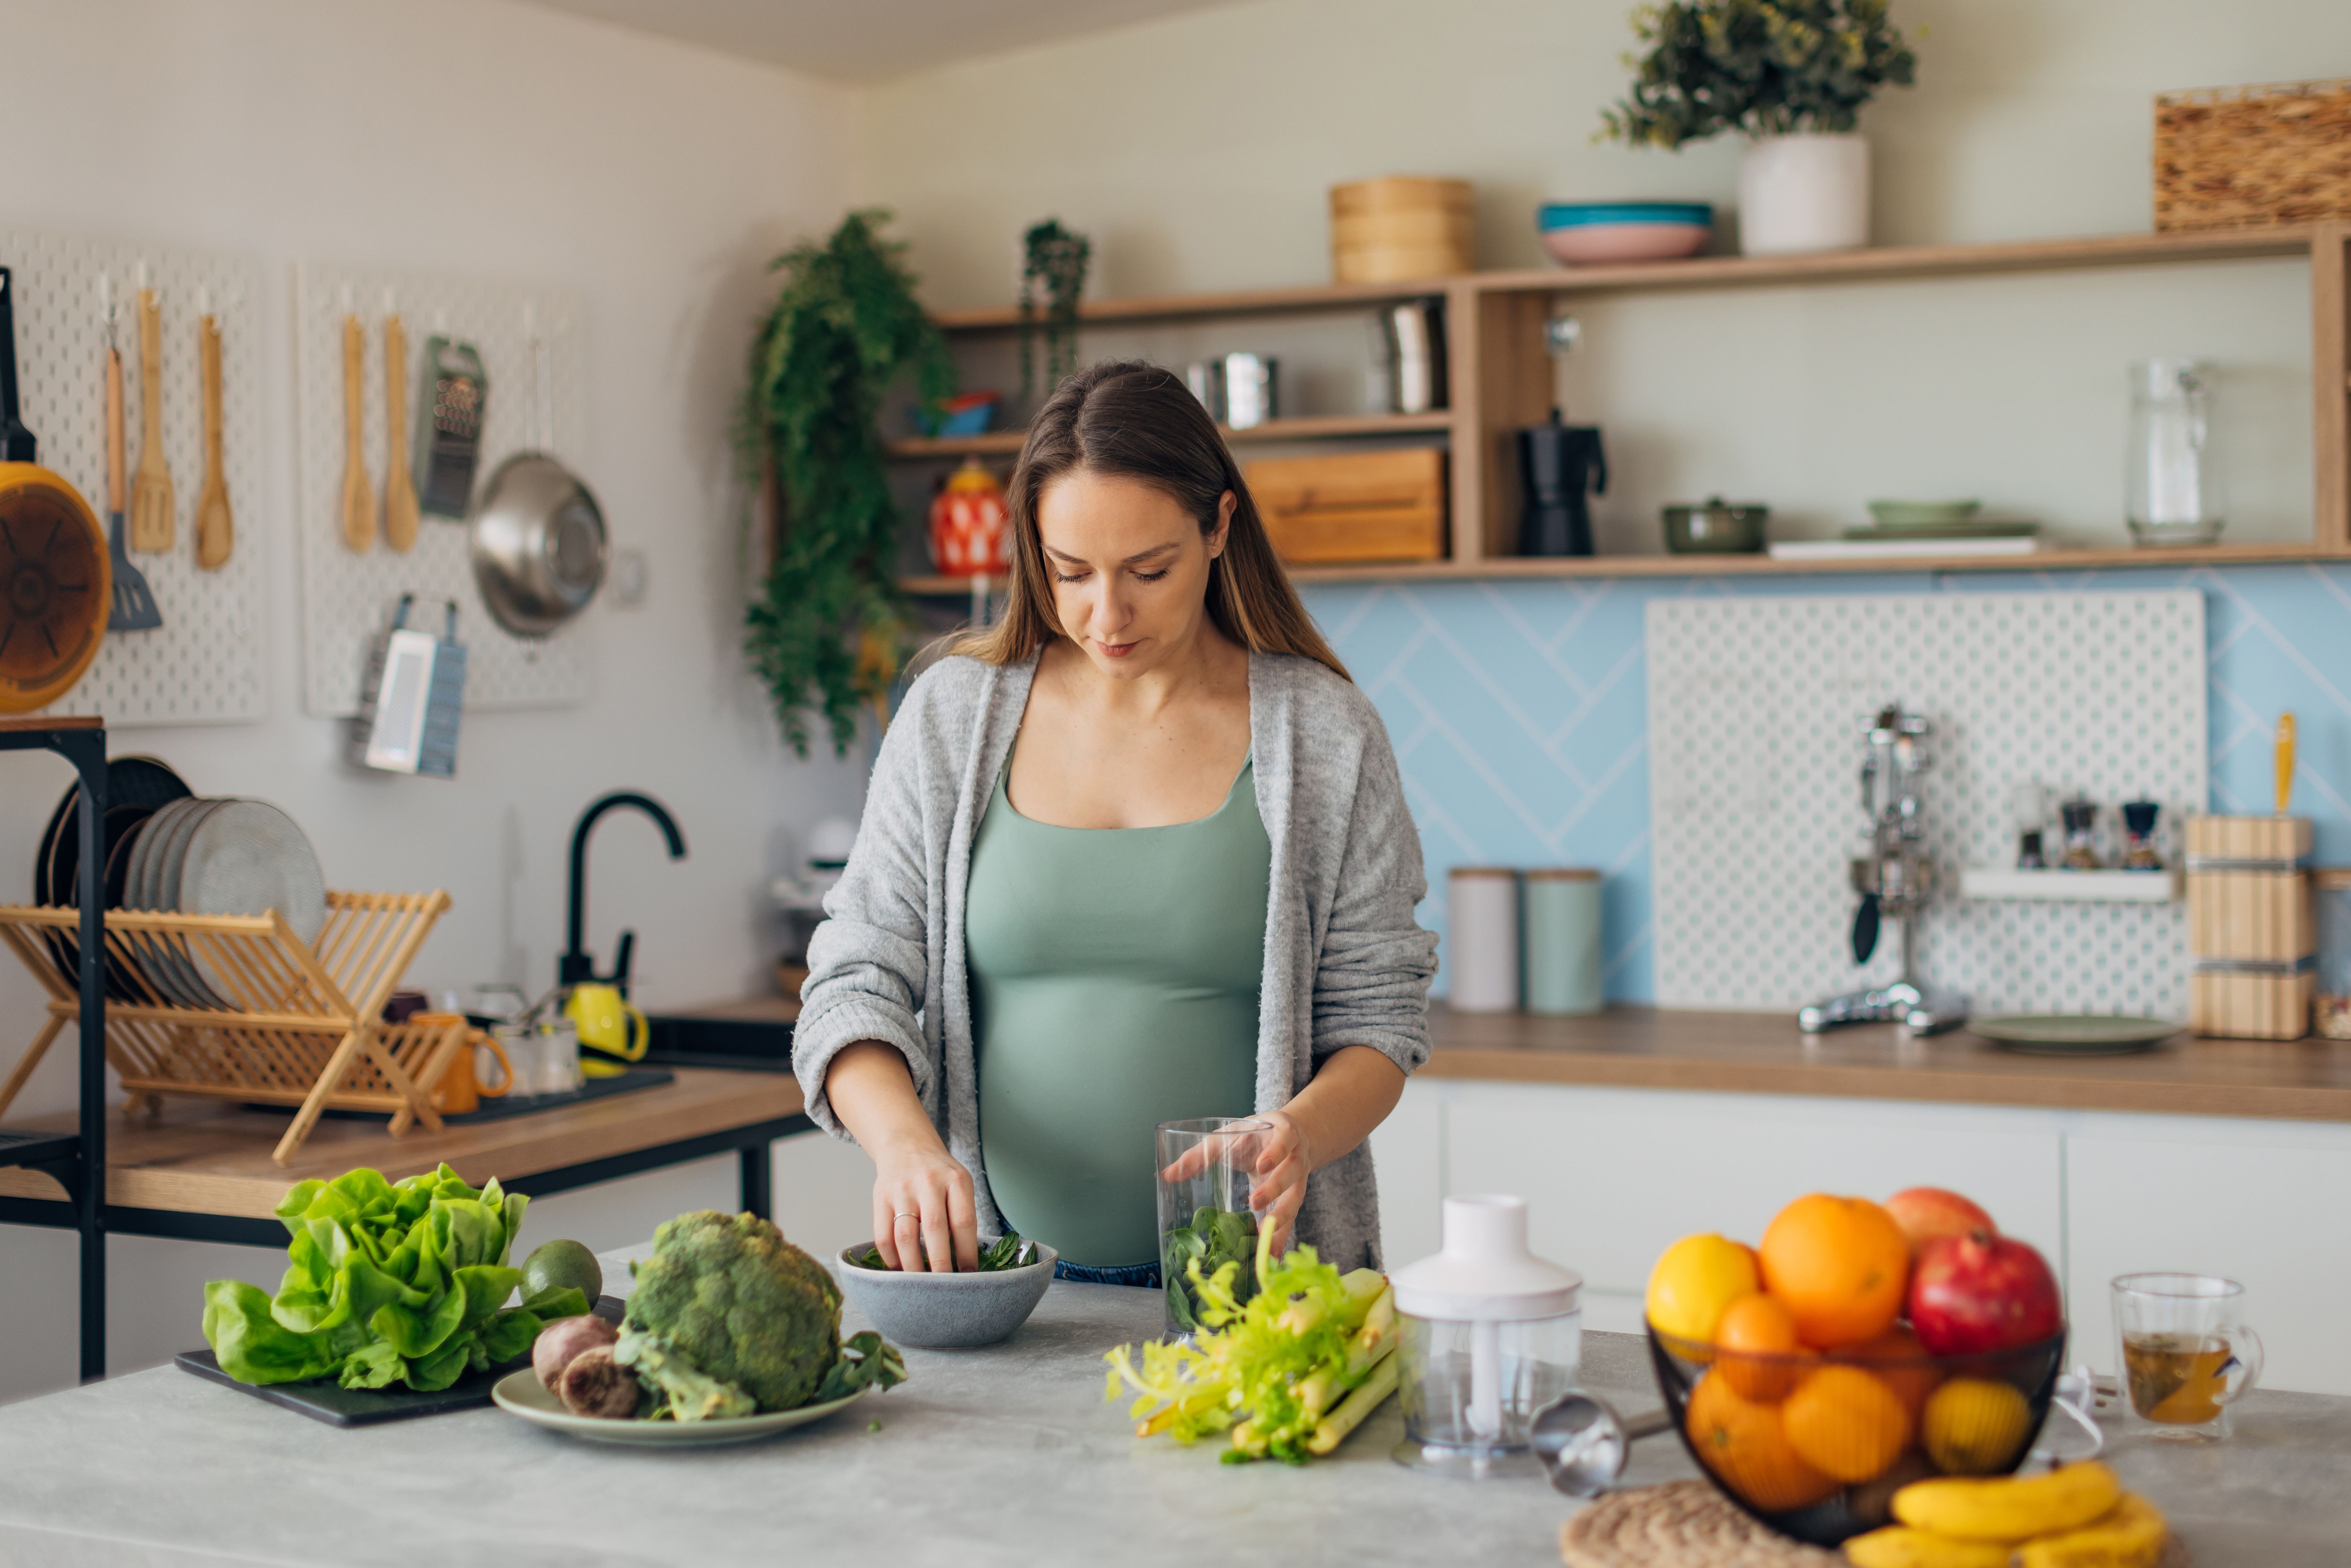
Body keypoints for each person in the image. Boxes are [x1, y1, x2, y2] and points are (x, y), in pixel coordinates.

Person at [793, 359, 1437, 1282]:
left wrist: (1295, 1131)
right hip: (997, 1293)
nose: (1108, 614)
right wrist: (904, 1146)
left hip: (1250, 1295)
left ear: (1218, 526)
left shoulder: (1322, 733)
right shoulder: (950, 719)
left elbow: (1378, 1019)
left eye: (1147, 569)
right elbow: (853, 982)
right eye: (1071, 572)